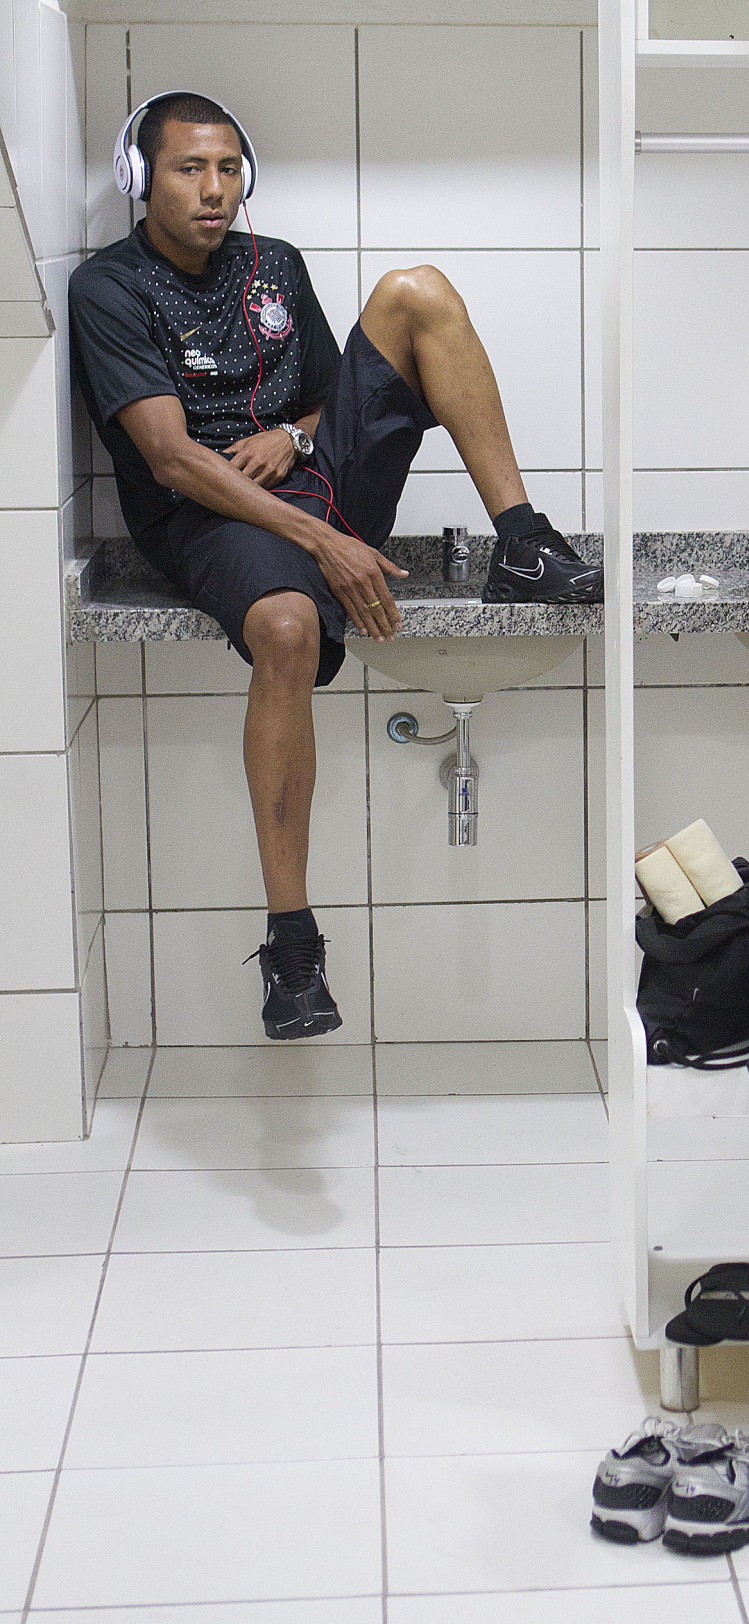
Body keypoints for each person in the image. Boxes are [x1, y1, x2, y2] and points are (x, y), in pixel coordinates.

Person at [69, 91, 602, 1042]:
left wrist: (287, 432)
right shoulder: (108, 288)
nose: (214, 188)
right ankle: (292, 943)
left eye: (229, 167)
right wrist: (323, 540)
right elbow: (171, 457)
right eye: (189, 168)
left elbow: (324, 400)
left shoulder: (274, 265)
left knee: (417, 288)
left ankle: (523, 538)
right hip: (208, 514)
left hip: (308, 481)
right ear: (139, 178)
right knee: (285, 627)